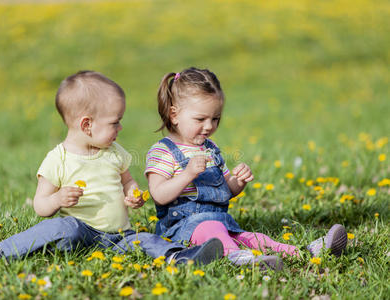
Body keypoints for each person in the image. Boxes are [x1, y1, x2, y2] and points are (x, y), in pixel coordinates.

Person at [0, 70, 223, 265]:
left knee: (145, 239)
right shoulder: (58, 159)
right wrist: (57, 199)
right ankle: (3, 252)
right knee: (60, 227)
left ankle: (179, 257)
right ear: (87, 125)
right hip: (79, 232)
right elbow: (40, 206)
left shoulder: (115, 153)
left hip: (119, 234)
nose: (120, 128)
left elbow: (127, 180)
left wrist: (132, 193)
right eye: (114, 123)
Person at [145, 67, 347, 270]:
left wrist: (237, 182)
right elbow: (159, 195)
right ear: (174, 115)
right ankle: (240, 260)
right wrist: (188, 174)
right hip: (181, 229)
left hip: (220, 223)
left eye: (215, 119)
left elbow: (225, 192)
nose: (209, 126)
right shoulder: (163, 151)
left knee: (254, 237)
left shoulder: (210, 149)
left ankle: (305, 252)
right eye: (200, 119)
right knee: (212, 228)